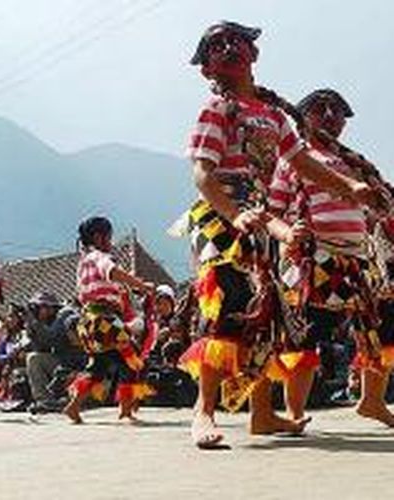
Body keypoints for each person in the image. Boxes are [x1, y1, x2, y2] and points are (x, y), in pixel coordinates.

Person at [179, 21, 381, 449]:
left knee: (269, 316)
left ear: (254, 54)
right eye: (218, 45)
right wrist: (235, 216)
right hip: (221, 215)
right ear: (207, 68)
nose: (230, 48)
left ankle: (264, 415)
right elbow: (203, 175)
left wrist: (352, 188)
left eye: (237, 41)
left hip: (264, 214)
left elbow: (303, 163)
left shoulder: (273, 114)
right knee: (230, 301)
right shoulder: (215, 108)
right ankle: (204, 411)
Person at [267, 88, 394, 426]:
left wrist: (377, 202)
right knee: (306, 332)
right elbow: (274, 211)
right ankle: (294, 412)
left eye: (337, 111)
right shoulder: (293, 158)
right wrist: (287, 239)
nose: (329, 116)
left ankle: (372, 401)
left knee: (380, 328)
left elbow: (381, 208)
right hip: (313, 257)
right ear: (303, 117)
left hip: (359, 259)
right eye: (319, 109)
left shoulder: (354, 162)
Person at [63, 216, 156, 424]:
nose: (111, 243)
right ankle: (125, 412)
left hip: (88, 322)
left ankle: (74, 406)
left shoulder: (83, 262)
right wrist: (141, 285)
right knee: (133, 360)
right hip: (103, 319)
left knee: (98, 366)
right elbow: (112, 272)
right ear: (98, 237)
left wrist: (130, 287)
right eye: (109, 238)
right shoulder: (98, 256)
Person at [24, 291, 65, 412]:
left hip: (72, 364)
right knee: (31, 358)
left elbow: (50, 341)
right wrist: (32, 329)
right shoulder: (42, 324)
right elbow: (41, 348)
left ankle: (45, 400)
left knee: (34, 359)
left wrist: (35, 324)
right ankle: (45, 400)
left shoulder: (60, 319)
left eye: (41, 307)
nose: (37, 311)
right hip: (60, 364)